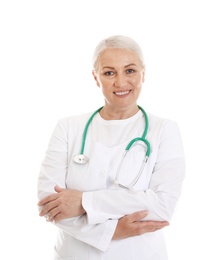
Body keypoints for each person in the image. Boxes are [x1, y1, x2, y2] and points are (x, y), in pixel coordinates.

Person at [37, 35, 185, 260]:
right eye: (109, 72)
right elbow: (49, 203)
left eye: (130, 70)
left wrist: (83, 202)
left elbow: (161, 206)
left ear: (143, 73)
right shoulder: (68, 127)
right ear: (96, 78)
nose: (121, 82)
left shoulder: (164, 129)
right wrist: (112, 231)